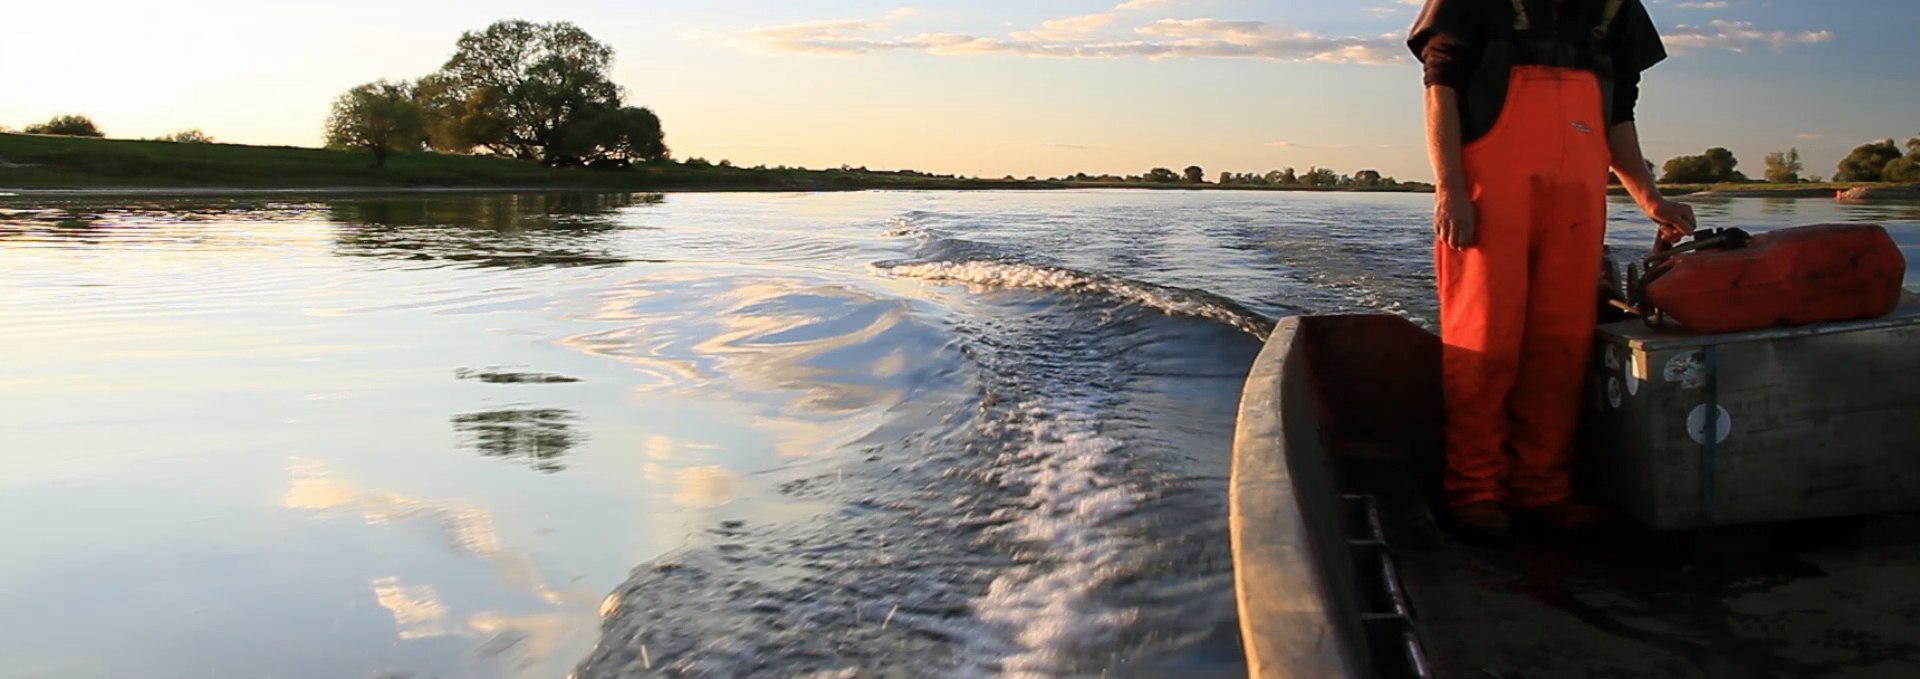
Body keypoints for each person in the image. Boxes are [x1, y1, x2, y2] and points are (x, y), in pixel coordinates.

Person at [1408, 0, 1698, 545]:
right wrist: (1449, 190)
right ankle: (1475, 491)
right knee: (1487, 343)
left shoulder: (1617, 11)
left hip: (1579, 197)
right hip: (1490, 191)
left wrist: (1650, 198)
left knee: (1560, 345)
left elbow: (1619, 116)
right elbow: (1439, 88)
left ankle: (1541, 489)